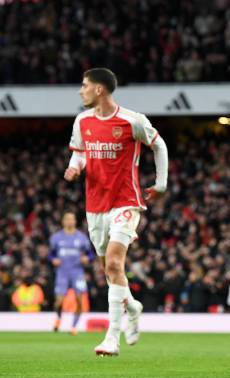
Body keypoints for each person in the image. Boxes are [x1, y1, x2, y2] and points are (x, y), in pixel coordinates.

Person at [64, 67, 168, 356]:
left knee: (113, 263)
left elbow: (158, 145)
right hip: (94, 205)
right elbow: (80, 151)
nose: (80, 90)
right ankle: (133, 306)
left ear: (99, 90)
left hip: (125, 201)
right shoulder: (82, 120)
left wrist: (161, 183)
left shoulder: (131, 120)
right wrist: (75, 166)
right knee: (110, 272)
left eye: (84, 85)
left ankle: (112, 337)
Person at [49, 211, 95, 335]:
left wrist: (88, 259)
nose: (69, 221)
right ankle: (58, 319)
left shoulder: (81, 237)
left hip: (77, 272)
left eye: (72, 219)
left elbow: (91, 254)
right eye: (67, 219)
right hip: (62, 272)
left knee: (80, 300)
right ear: (63, 221)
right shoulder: (56, 238)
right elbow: (51, 255)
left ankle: (74, 327)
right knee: (59, 301)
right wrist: (53, 260)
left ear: (75, 221)